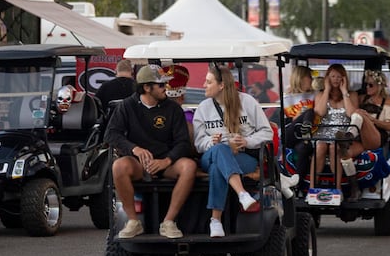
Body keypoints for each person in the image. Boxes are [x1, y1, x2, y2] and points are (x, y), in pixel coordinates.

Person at [105, 64, 197, 239]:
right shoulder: (127, 106)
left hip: (167, 163)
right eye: (161, 85)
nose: (166, 88)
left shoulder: (173, 108)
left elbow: (183, 142)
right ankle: (133, 221)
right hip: (138, 163)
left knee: (189, 166)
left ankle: (168, 221)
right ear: (147, 87)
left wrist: (167, 160)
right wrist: (134, 148)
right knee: (118, 166)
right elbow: (111, 134)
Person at [194, 62, 274, 238]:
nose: (204, 85)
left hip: (242, 156)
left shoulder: (247, 102)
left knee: (217, 168)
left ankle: (215, 220)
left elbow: (267, 132)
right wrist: (211, 141)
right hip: (211, 154)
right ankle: (242, 194)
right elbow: (198, 143)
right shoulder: (203, 108)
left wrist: (246, 141)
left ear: (221, 85)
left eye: (209, 82)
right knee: (220, 149)